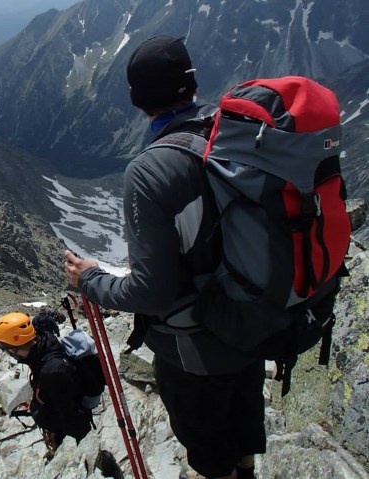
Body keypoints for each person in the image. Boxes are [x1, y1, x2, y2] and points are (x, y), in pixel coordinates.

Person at [63, 36, 265, 479]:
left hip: (197, 349)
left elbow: (152, 292)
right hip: (255, 321)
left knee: (210, 453)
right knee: (242, 433)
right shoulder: (234, 130)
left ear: (138, 100)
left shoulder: (152, 169)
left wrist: (90, 279)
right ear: (192, 83)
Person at [0, 312, 92, 451]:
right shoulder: (45, 341)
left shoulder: (51, 372)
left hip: (71, 434)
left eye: (4, 349)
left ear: (13, 349)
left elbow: (68, 415)